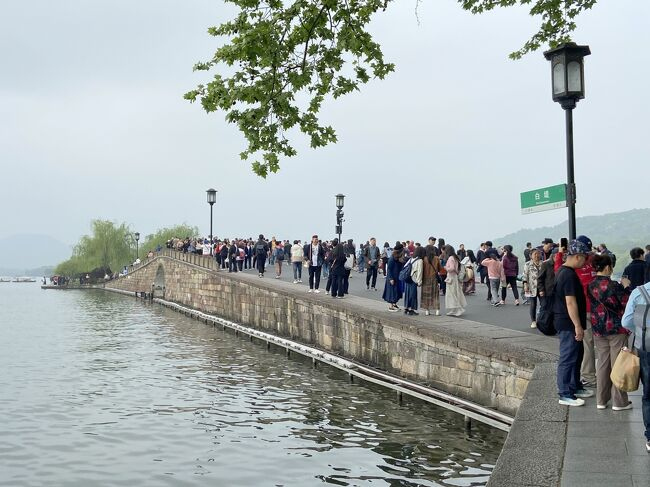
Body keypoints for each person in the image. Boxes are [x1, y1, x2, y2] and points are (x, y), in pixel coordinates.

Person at [587, 253, 632, 410]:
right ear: (607, 267)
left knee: (603, 364)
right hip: (616, 328)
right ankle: (619, 402)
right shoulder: (614, 285)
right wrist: (626, 286)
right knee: (618, 364)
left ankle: (601, 400)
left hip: (598, 328)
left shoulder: (590, 285)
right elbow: (626, 303)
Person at [554, 239, 594, 406]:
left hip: (568, 321)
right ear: (577, 256)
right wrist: (577, 325)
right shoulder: (568, 275)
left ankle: (574, 386)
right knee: (568, 357)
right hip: (567, 322)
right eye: (584, 258)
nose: (585, 262)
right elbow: (570, 302)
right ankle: (565, 393)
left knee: (577, 355)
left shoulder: (565, 272)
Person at [621, 280, 650, 452]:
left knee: (648, 394)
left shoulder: (640, 292)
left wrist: (641, 331)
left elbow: (626, 322)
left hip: (646, 347)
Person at [444, 244, 466, 316]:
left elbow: (452, 268)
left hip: (451, 277)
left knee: (452, 294)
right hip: (454, 277)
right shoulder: (455, 257)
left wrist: (446, 268)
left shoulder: (450, 258)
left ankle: (458, 309)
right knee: (455, 293)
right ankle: (454, 309)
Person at [522, 248, 542, 328]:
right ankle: (533, 321)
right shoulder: (527, 264)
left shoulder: (543, 264)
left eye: (538, 253)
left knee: (544, 304)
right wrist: (525, 285)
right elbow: (525, 275)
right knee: (533, 304)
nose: (537, 255)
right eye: (535, 254)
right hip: (532, 287)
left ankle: (541, 319)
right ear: (531, 256)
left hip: (542, 287)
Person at [402, 246, 424, 315]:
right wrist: (419, 282)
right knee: (413, 294)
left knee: (407, 293)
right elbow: (420, 272)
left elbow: (405, 266)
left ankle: (406, 308)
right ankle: (412, 309)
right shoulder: (420, 260)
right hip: (413, 279)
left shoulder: (411, 258)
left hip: (408, 277)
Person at [383, 243, 405, 312]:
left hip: (397, 277)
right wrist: (391, 278)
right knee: (392, 291)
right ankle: (391, 306)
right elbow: (389, 269)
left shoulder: (399, 258)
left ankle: (394, 304)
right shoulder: (392, 258)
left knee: (396, 292)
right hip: (392, 277)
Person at [421, 244, 441, 316]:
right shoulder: (437, 258)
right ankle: (437, 310)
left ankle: (427, 310)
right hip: (434, 278)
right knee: (435, 295)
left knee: (426, 295)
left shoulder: (424, 259)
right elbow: (439, 269)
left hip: (425, 279)